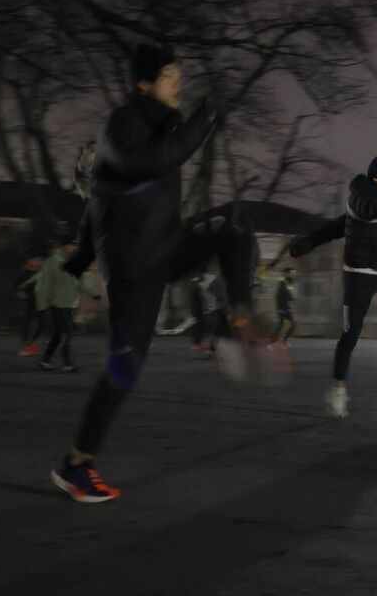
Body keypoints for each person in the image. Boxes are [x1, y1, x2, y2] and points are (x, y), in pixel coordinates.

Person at [49, 43, 254, 502]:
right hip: (135, 265)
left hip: (165, 245)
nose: (178, 82)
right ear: (143, 82)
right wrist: (201, 123)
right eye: (168, 75)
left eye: (181, 74)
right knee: (125, 365)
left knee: (233, 233)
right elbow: (145, 164)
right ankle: (77, 464)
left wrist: (79, 257)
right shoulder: (121, 126)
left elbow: (99, 207)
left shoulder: (162, 128)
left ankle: (233, 322)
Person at [288, 154, 377, 418]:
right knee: (351, 334)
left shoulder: (373, 199)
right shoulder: (365, 196)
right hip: (359, 277)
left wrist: (308, 242)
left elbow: (338, 227)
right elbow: (376, 207)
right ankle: (337, 389)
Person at [37, 239, 101, 372]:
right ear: (64, 247)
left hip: (70, 306)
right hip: (57, 305)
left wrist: (94, 294)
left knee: (58, 334)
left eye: (76, 246)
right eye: (71, 246)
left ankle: (45, 360)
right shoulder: (54, 262)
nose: (74, 248)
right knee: (67, 333)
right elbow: (45, 285)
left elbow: (82, 285)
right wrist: (43, 305)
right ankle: (67, 363)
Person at [17, 257, 44, 356]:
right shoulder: (24, 271)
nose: (38, 262)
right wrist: (22, 295)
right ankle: (28, 343)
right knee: (29, 322)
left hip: (40, 300)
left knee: (39, 322)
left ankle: (31, 343)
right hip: (30, 300)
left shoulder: (41, 271)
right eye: (37, 260)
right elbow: (18, 285)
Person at [273, 267, 297, 344]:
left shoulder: (288, 282)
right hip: (283, 308)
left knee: (282, 324)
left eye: (293, 273)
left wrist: (292, 298)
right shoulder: (283, 283)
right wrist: (281, 309)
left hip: (285, 307)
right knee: (290, 324)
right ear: (287, 274)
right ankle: (279, 341)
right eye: (291, 273)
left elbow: (289, 295)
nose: (293, 274)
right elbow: (278, 296)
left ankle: (275, 341)